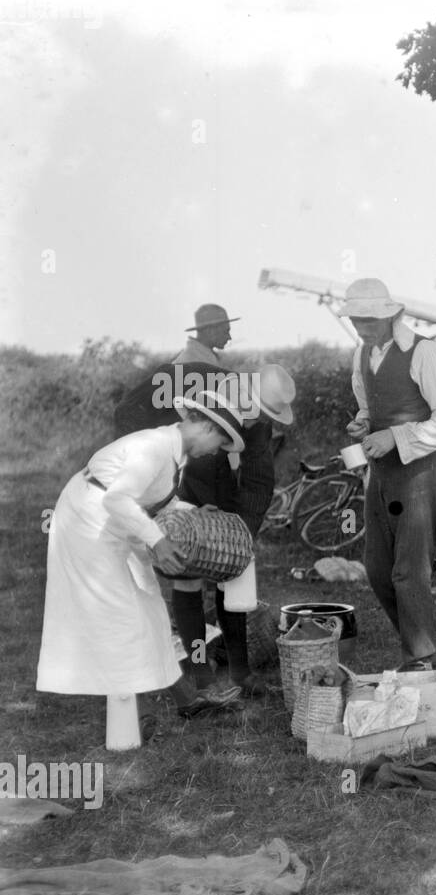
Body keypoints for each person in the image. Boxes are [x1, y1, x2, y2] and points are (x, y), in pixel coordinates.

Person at [37, 392, 249, 722]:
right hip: (88, 520)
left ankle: (187, 700)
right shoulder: (153, 447)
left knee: (150, 609)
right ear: (206, 427)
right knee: (121, 615)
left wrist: (193, 512)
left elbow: (157, 502)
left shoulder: (173, 454)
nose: (215, 453)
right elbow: (118, 500)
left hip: (117, 521)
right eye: (219, 444)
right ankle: (129, 721)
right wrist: (159, 542)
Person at [342, 277, 436, 671]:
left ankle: (420, 658)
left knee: (410, 570)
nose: (361, 327)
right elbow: (366, 405)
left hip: (420, 474)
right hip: (381, 474)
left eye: (369, 319)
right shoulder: (361, 356)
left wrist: (396, 436)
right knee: (378, 570)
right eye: (356, 319)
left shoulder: (425, 353)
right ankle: (417, 641)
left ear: (391, 315)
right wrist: (363, 424)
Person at [169, 366, 296, 698]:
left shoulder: (257, 428)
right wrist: (195, 515)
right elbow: (188, 462)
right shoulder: (212, 404)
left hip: (231, 503)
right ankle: (199, 671)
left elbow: (258, 479)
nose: (259, 422)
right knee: (187, 579)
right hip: (189, 492)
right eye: (260, 414)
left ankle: (241, 672)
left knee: (236, 576)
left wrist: (242, 531)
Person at [112, 304, 240, 439]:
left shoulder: (202, 357)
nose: (229, 337)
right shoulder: (192, 362)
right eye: (226, 331)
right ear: (211, 331)